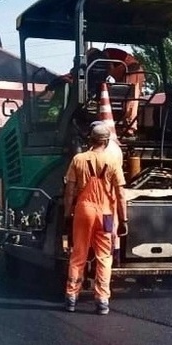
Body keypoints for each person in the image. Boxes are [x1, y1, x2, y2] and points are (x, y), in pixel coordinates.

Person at [62, 122, 128, 315]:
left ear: (90, 139)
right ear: (106, 141)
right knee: (104, 256)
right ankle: (102, 300)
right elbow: (121, 194)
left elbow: (69, 192)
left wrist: (67, 214)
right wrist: (123, 220)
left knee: (78, 254)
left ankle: (71, 297)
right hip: (107, 214)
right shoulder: (113, 162)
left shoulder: (78, 159)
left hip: (83, 211)